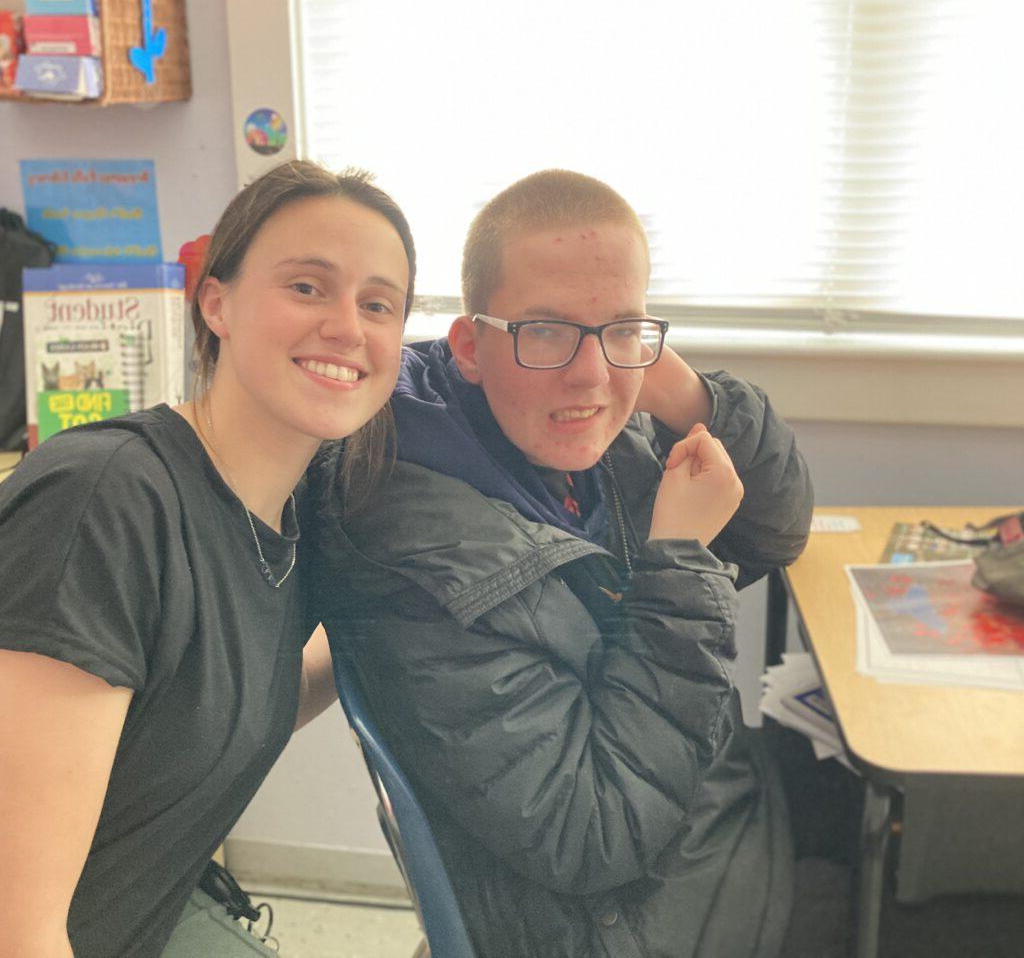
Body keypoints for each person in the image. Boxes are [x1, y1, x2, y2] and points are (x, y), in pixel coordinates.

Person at [306, 169, 817, 958]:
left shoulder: (581, 443)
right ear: (471, 346)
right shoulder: (419, 553)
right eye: (545, 331)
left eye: (622, 329)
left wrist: (671, 389)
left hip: (690, 810)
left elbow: (779, 525)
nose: (588, 377)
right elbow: (593, 834)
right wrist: (676, 561)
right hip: (605, 917)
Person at [0, 159, 415, 958]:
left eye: (377, 304)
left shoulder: (292, 516)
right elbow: (19, 930)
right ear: (216, 303)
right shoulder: (105, 505)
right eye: (306, 287)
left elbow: (206, 706)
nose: (347, 327)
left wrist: (390, 629)